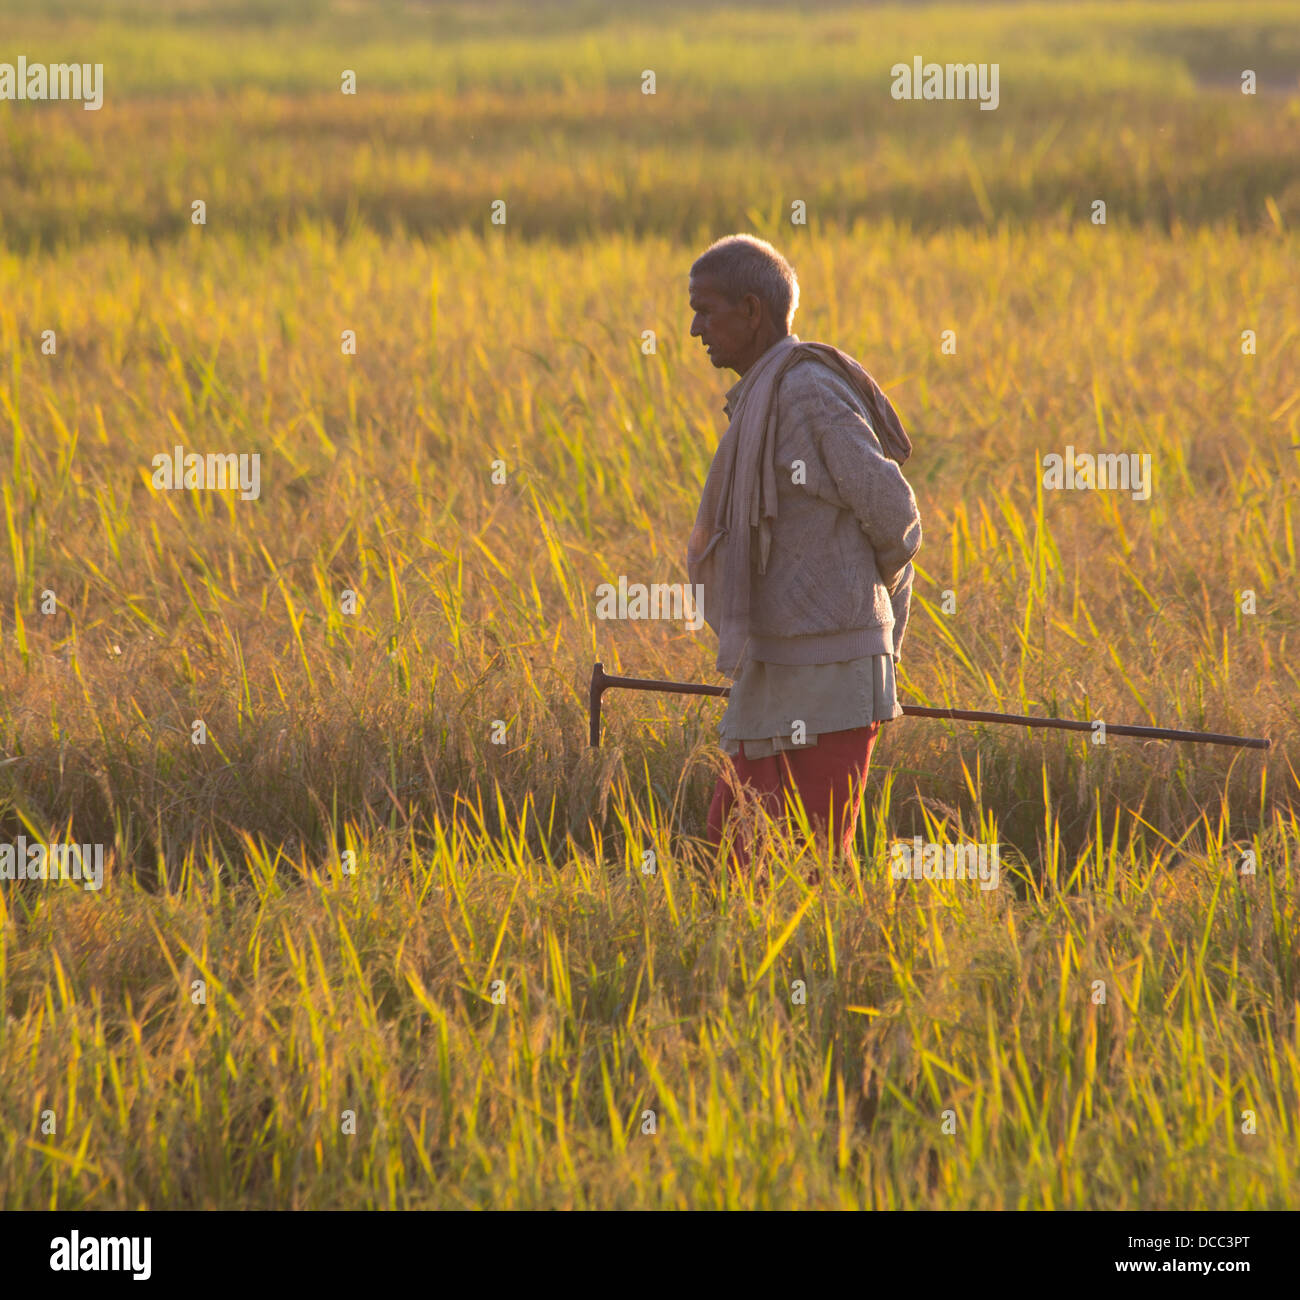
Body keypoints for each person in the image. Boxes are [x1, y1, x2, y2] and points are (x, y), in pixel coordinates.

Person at [686, 234, 922, 870]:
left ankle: (823, 966)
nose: (694, 329)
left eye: (706, 311)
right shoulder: (764, 397)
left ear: (752, 310)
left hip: (831, 668)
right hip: (776, 663)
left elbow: (894, 513)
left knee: (805, 862)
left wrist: (857, 606)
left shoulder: (809, 391)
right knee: (730, 854)